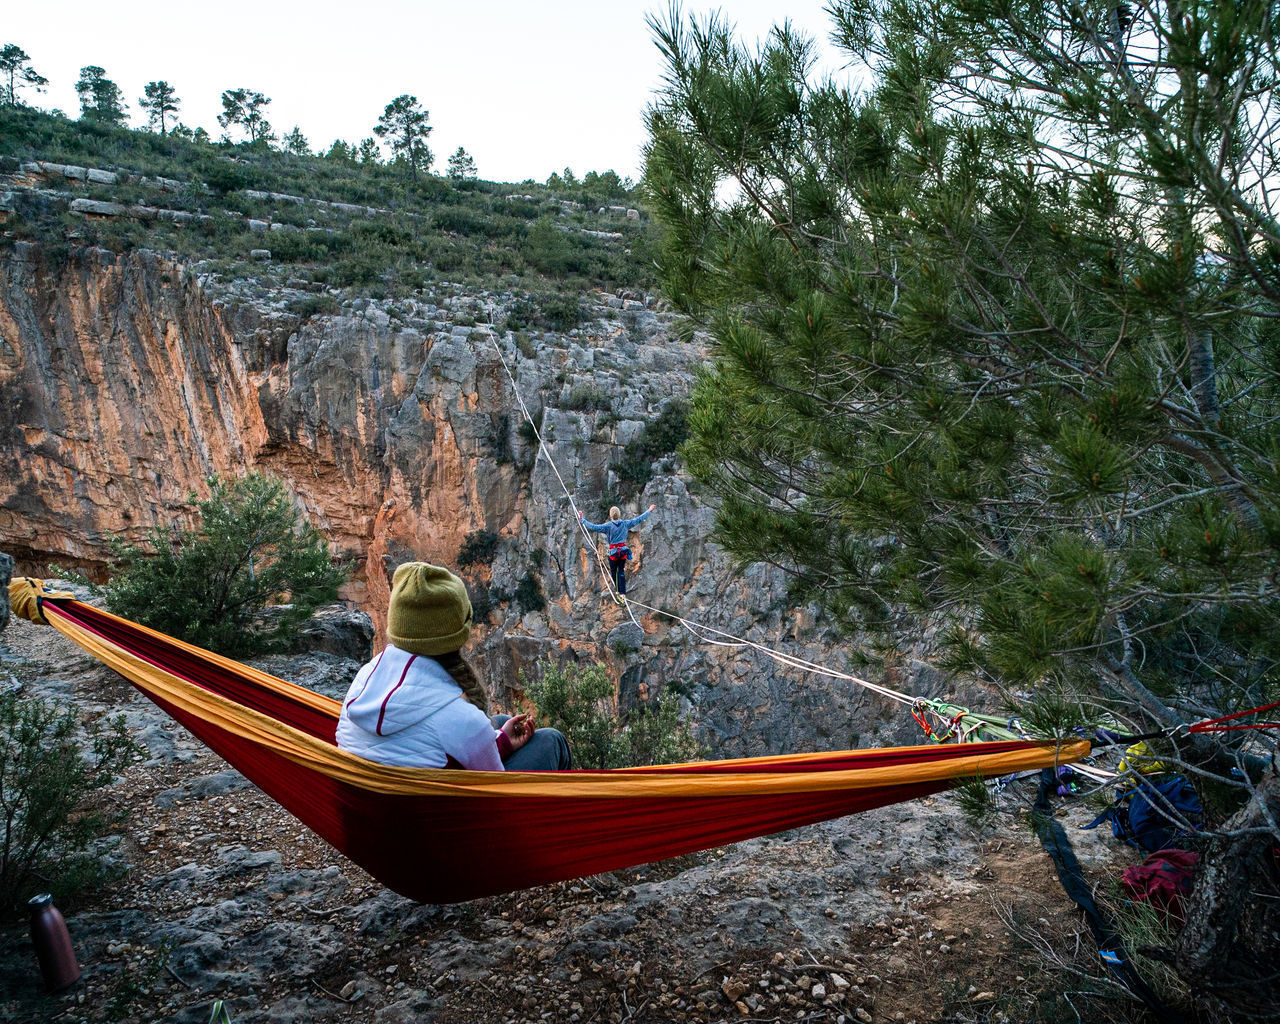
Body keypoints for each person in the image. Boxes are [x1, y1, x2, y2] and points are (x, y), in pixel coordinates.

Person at [336, 561, 572, 771]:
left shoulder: (364, 679)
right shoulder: (463, 719)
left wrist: (501, 742)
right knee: (551, 740)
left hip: (367, 808)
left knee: (498, 722)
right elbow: (495, 787)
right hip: (437, 818)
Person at [579, 503, 657, 604]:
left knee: (613, 572)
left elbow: (594, 527)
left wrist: (582, 520)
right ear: (619, 515)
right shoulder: (625, 523)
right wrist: (649, 510)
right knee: (620, 572)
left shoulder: (608, 526)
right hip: (623, 552)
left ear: (611, 515)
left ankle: (618, 592)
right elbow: (638, 519)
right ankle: (622, 593)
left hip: (614, 553)